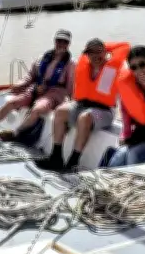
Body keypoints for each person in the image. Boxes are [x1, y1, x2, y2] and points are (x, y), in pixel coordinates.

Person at [35, 38, 130, 172]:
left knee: (85, 117)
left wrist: (102, 46)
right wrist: (96, 48)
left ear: (106, 52)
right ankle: (56, 158)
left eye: (99, 52)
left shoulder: (113, 67)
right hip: (81, 105)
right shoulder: (83, 64)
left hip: (104, 112)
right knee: (60, 111)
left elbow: (125, 46)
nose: (95, 56)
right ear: (87, 54)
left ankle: (72, 163)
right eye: (91, 52)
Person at [0, 28, 74, 144]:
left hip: (54, 93)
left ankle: (15, 133)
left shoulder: (71, 64)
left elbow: (71, 87)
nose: (61, 44)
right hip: (35, 88)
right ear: (54, 41)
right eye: (59, 41)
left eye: (65, 42)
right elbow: (30, 76)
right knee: (11, 103)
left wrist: (69, 105)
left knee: (38, 108)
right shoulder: (42, 58)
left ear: (69, 44)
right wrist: (20, 84)